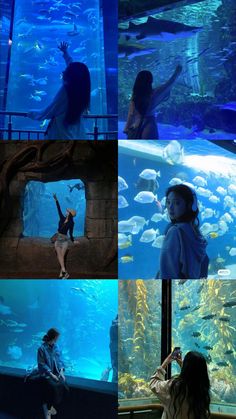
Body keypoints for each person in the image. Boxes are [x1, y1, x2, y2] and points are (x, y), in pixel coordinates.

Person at [28, 42, 91, 139]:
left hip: (62, 135)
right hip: (77, 133)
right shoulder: (81, 89)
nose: (63, 71)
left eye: (66, 70)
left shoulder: (66, 91)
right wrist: (65, 53)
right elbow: (73, 69)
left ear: (70, 76)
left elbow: (50, 110)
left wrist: (31, 114)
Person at [158, 184, 209, 279]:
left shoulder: (175, 231)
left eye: (177, 203)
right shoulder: (194, 231)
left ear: (189, 205)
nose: (170, 207)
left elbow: (167, 270)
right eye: (168, 202)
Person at [123, 65, 182, 139]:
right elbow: (169, 83)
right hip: (149, 125)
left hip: (135, 125)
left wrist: (127, 127)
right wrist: (177, 72)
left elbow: (131, 114)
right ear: (150, 81)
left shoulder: (135, 96)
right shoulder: (153, 94)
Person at [149, 351, 211, 419]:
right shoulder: (202, 392)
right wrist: (182, 365)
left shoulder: (174, 387)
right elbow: (192, 378)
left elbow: (153, 383)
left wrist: (166, 362)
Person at [37, 328, 68, 419]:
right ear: (53, 337)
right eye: (57, 337)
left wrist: (61, 371)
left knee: (64, 385)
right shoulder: (41, 349)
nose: (57, 339)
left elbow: (60, 361)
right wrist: (51, 375)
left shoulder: (56, 347)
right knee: (51, 387)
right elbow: (41, 364)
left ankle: (51, 407)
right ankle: (47, 409)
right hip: (46, 374)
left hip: (56, 372)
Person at [53, 193, 78, 279]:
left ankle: (62, 273)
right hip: (58, 239)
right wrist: (56, 200)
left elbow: (71, 233)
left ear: (69, 214)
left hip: (65, 240)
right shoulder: (62, 218)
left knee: (61, 256)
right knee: (60, 256)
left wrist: (73, 240)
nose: (66, 211)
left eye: (67, 211)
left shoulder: (72, 223)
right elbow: (58, 209)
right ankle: (64, 272)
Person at [109, 315, 118, 383]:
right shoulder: (116, 326)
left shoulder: (112, 326)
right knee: (116, 368)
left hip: (112, 347)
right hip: (116, 348)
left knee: (114, 367)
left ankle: (113, 383)